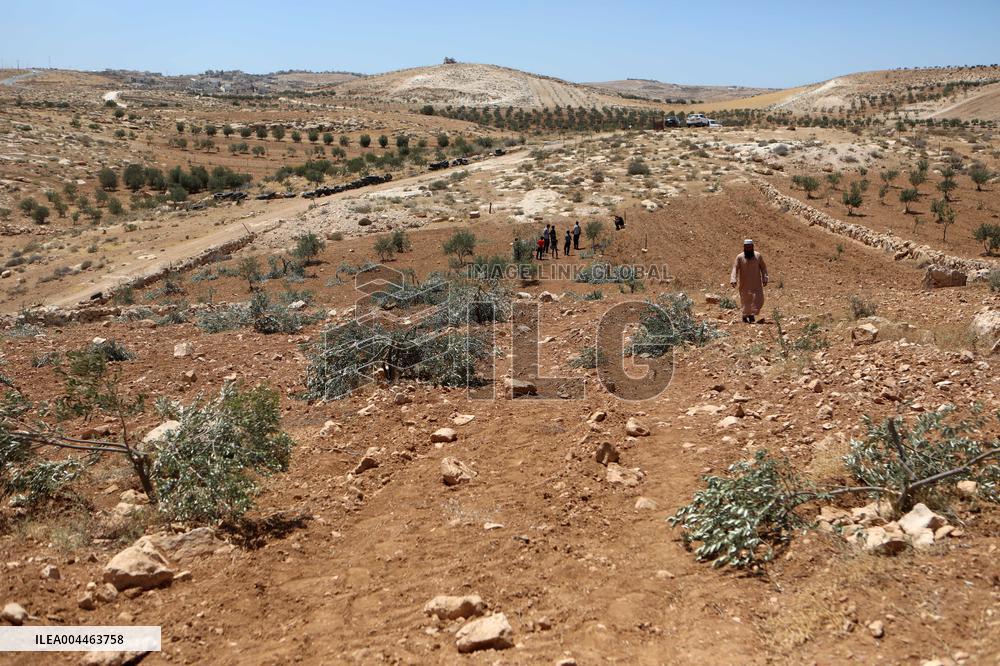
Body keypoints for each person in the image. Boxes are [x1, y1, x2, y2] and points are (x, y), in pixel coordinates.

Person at [730, 239, 768, 323]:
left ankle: (751, 314)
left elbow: (763, 268)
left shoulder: (758, 256)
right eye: (746, 247)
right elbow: (735, 268)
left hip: (756, 283)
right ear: (744, 247)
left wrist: (765, 278)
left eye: (749, 247)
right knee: (746, 300)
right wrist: (733, 279)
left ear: (752, 247)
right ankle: (745, 316)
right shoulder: (739, 257)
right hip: (745, 283)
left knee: (757, 299)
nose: (748, 249)